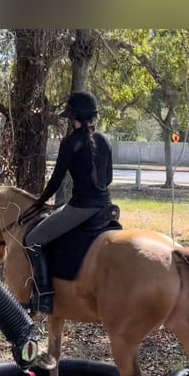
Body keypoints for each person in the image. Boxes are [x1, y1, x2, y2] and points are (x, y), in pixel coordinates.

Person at [19, 89, 114, 313]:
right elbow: (108, 179)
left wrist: (38, 204)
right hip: (106, 206)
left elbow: (55, 182)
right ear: (92, 116)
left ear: (73, 118)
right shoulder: (105, 140)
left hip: (81, 207)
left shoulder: (70, 143)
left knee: (32, 239)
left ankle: (43, 296)